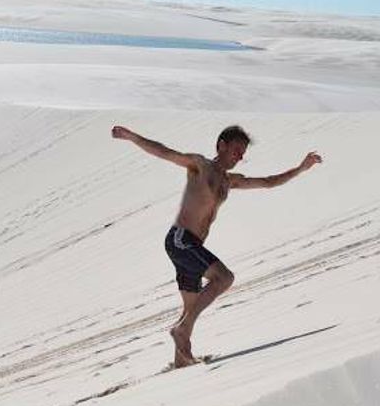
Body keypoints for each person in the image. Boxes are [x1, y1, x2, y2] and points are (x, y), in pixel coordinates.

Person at [112, 124, 321, 367]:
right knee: (224, 279)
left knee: (190, 308)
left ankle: (181, 362)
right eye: (235, 150)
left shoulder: (228, 181)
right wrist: (130, 136)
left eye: (242, 153)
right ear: (221, 145)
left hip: (192, 246)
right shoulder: (200, 166)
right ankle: (180, 332)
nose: (239, 156)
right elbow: (164, 152)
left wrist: (301, 168)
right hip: (181, 240)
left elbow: (268, 182)